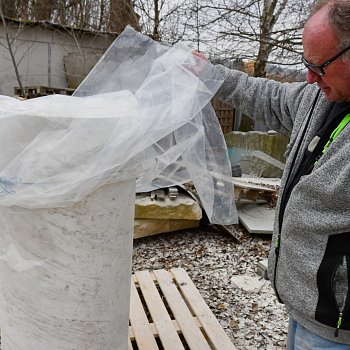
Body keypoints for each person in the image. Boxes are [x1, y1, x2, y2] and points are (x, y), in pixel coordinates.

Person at [207, 0, 350, 348]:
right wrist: (209, 74)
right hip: (305, 310)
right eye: (307, 64)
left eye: (319, 66)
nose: (309, 77)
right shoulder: (323, 97)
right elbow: (266, 95)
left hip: (338, 330)